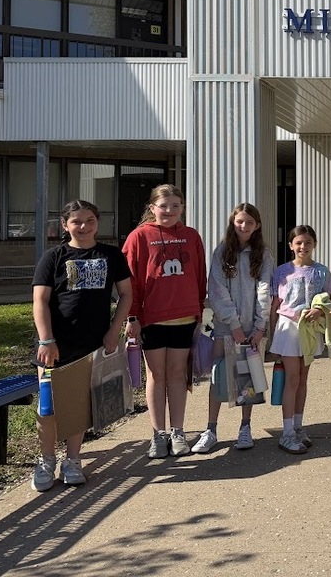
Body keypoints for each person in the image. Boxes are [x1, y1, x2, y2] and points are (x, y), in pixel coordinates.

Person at [31, 199, 132, 490]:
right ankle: (46, 460)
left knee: (77, 406)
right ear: (65, 225)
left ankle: (73, 460)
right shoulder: (53, 257)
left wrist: (115, 330)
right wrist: (47, 339)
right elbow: (40, 301)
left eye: (90, 220)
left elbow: (126, 294)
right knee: (48, 408)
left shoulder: (111, 255)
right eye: (76, 221)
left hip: (92, 345)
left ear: (97, 222)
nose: (84, 226)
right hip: (55, 346)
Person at [123, 184, 206, 459]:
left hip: (184, 317)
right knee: (157, 376)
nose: (169, 210)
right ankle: (158, 434)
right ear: (152, 208)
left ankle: (178, 431)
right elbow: (130, 281)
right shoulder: (139, 236)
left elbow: (199, 274)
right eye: (163, 206)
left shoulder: (191, 236)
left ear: (182, 208)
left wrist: (198, 309)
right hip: (152, 319)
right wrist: (132, 316)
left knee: (178, 375)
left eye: (175, 206)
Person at [192, 203, 274, 454]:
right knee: (218, 377)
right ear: (232, 222)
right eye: (240, 221)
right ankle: (211, 429)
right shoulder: (221, 252)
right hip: (226, 327)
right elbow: (216, 290)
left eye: (249, 222)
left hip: (252, 330)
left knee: (247, 380)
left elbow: (265, 291)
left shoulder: (263, 254)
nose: (244, 226)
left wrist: (259, 326)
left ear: (257, 226)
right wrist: (234, 324)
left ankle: (245, 427)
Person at [269, 225, 331, 454]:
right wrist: (271, 338)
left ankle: (297, 426)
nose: (303, 247)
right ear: (290, 245)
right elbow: (275, 305)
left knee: (303, 378)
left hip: (310, 330)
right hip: (287, 328)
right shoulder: (282, 272)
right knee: (292, 378)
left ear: (314, 244)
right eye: (298, 242)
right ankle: (286, 432)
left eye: (307, 242)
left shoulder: (322, 272)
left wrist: (320, 310)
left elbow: (327, 301)